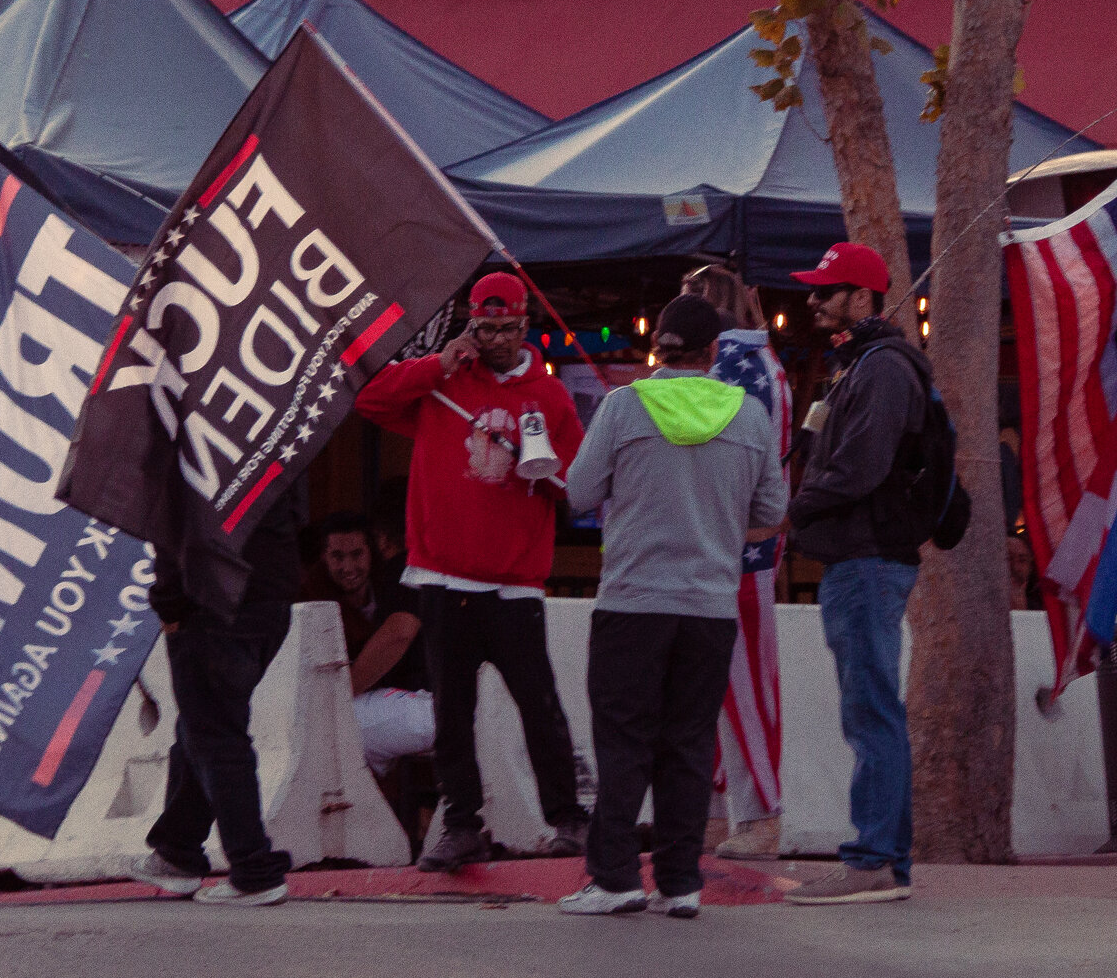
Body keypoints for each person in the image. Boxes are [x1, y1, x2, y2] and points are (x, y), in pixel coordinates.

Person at [557, 295, 789, 917]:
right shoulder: (748, 416)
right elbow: (769, 513)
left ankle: (615, 880)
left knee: (623, 742)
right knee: (688, 745)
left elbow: (578, 491)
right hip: (710, 607)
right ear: (715, 353)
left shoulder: (622, 406)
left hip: (632, 601)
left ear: (658, 347)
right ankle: (681, 883)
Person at [355, 270, 589, 873]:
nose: (496, 340)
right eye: (485, 329)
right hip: (445, 577)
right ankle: (461, 824)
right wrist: (438, 363)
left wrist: (549, 477)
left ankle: (568, 819)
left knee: (539, 705)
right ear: (471, 325)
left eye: (507, 328)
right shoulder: (444, 384)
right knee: (450, 711)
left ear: (525, 325)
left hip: (514, 581)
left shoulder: (552, 396)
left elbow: (580, 486)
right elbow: (371, 399)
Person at [780, 241, 929, 906]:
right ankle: (885, 860)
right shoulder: (868, 365)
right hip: (865, 559)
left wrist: (797, 506)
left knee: (870, 711)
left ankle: (871, 860)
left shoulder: (882, 370)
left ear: (863, 297)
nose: (813, 298)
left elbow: (861, 467)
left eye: (827, 288)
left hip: (867, 561)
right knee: (874, 710)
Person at [131, 458, 307, 908]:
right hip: (269, 600)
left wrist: (169, 606)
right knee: (202, 725)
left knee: (216, 736)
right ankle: (178, 851)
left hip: (209, 605)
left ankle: (254, 869)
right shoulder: (261, 431)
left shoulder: (185, 446)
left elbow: (173, 533)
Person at [682, 261, 790, 861]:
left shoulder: (732, 367)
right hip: (747, 543)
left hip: (735, 546)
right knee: (728, 685)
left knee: (744, 685)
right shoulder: (764, 365)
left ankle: (760, 812)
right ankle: (727, 809)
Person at [304, 511, 434, 775]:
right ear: (323, 558)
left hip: (402, 701)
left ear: (373, 551)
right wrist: (337, 697)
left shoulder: (392, 581)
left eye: (357, 554)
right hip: (339, 708)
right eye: (337, 557)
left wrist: (344, 691)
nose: (348, 567)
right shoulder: (310, 598)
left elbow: (400, 631)